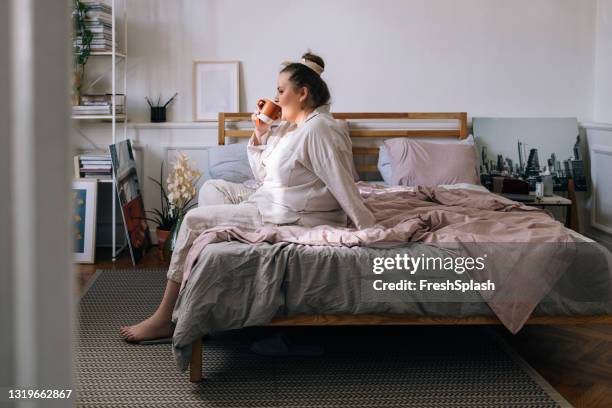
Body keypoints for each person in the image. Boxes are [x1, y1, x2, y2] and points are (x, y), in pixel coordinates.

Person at [120, 51, 375, 342]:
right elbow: (264, 174)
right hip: (267, 198)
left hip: (289, 214)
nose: (276, 98)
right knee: (211, 188)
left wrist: (370, 230)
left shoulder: (320, 130)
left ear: (303, 93)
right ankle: (212, 264)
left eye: (281, 91)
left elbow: (343, 183)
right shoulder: (294, 127)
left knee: (192, 221)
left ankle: (165, 317)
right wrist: (261, 132)